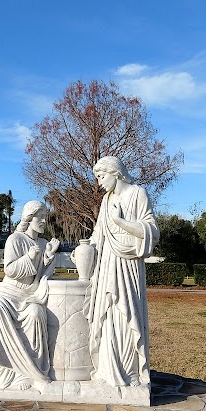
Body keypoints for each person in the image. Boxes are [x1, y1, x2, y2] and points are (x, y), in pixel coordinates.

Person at [84, 156, 159, 391]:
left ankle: (129, 373)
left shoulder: (138, 194)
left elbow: (151, 232)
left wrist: (120, 221)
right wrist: (86, 249)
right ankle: (108, 371)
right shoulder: (106, 200)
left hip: (128, 266)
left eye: (102, 176)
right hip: (107, 265)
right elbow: (98, 235)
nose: (100, 183)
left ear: (115, 173)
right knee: (107, 316)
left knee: (128, 317)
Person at [0, 201, 59, 391]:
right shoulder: (15, 239)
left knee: (36, 314)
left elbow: (44, 275)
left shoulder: (43, 243)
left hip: (30, 295)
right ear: (29, 218)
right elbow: (9, 269)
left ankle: (30, 372)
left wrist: (48, 258)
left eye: (44, 217)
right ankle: (5, 372)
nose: (43, 221)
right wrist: (30, 258)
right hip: (9, 294)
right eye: (40, 217)